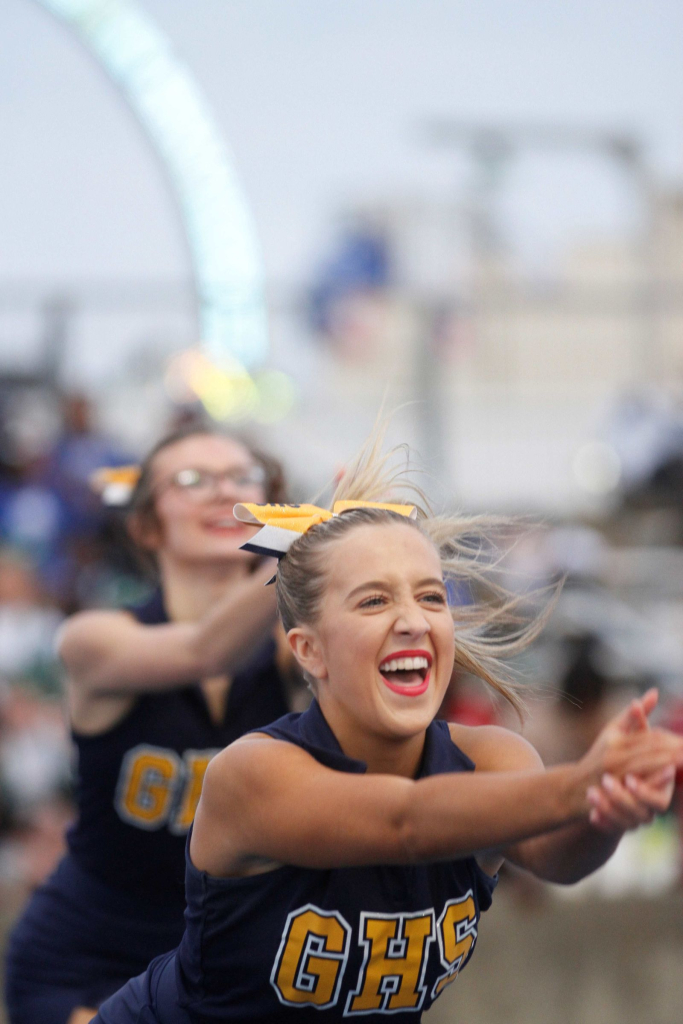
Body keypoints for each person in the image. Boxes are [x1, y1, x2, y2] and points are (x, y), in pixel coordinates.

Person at [92, 442, 683, 1023]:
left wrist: (609, 807)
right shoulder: (252, 774)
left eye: (431, 596)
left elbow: (560, 857)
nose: (412, 621)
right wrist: (579, 783)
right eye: (373, 601)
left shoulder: (492, 758)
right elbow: (406, 823)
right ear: (310, 650)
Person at [5, 425, 301, 1024]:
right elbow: (203, 651)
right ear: (146, 524)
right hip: (88, 961)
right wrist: (297, 555)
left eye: (243, 480)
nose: (224, 495)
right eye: (192, 480)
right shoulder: (95, 639)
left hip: (233, 961)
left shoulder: (295, 649)